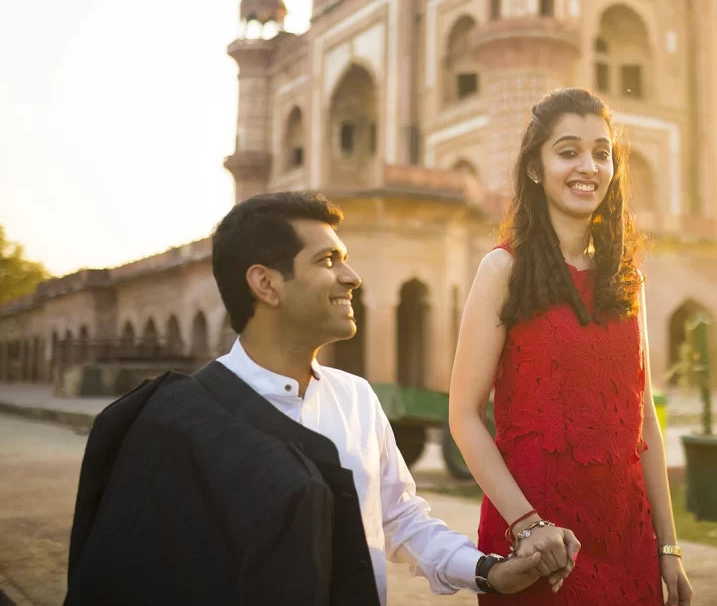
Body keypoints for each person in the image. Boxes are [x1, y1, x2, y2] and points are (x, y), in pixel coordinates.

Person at [65, 191, 576, 606]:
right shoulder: (178, 422)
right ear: (266, 284)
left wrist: (489, 571)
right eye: (328, 260)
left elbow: (398, 517)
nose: (351, 277)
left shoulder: (354, 399)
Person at [448, 88, 694, 605]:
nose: (589, 166)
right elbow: (464, 416)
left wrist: (668, 547)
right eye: (568, 151)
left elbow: (642, 418)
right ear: (536, 168)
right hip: (540, 545)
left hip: (627, 534)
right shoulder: (504, 270)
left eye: (602, 153)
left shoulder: (626, 279)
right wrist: (527, 525)